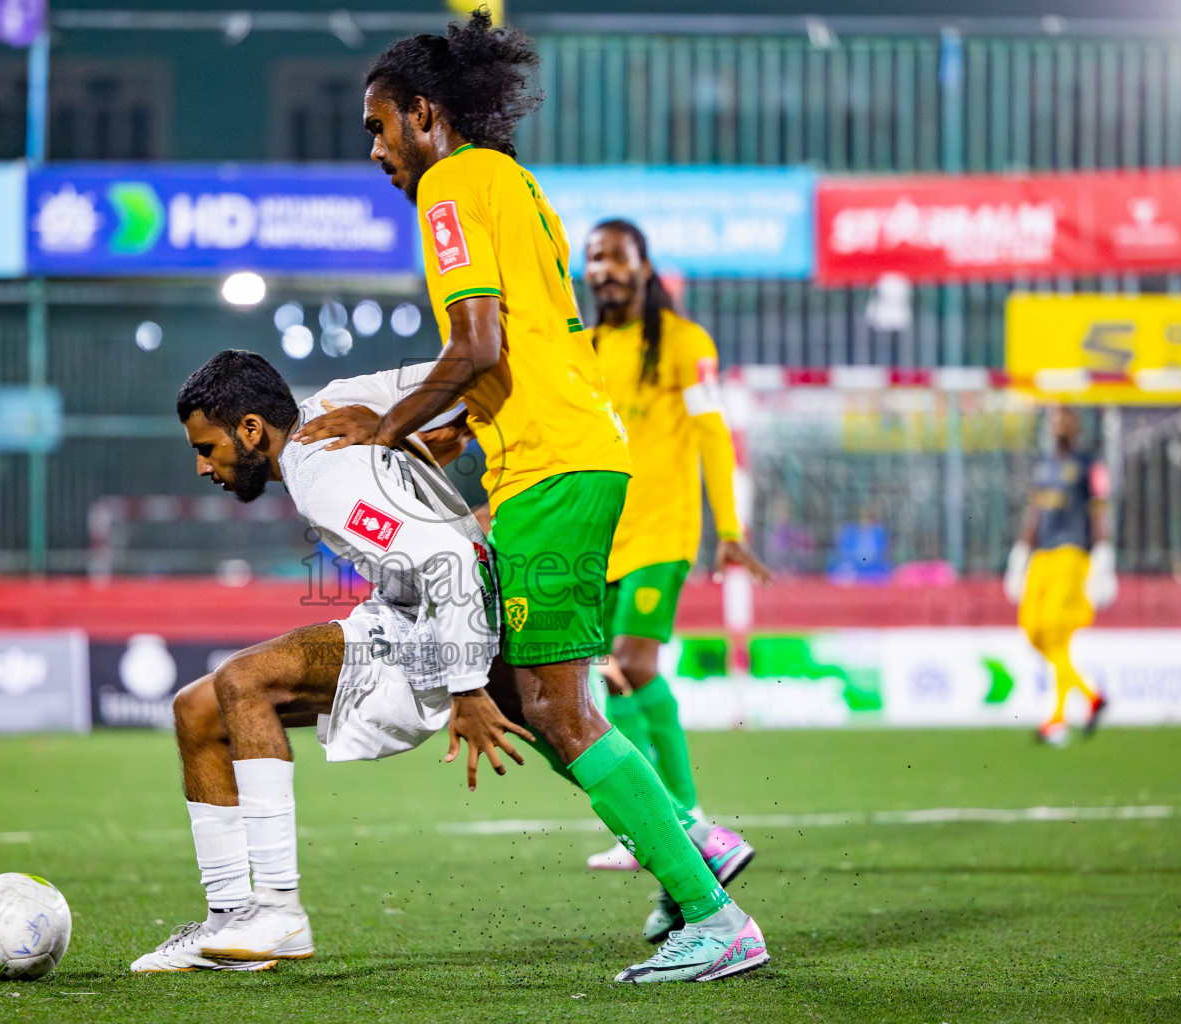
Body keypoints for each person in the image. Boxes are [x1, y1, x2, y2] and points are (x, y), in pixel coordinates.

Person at [294, 8, 767, 983]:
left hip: (557, 468)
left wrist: (382, 434)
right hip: (554, 459)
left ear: (425, 114)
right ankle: (689, 842)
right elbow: (523, 347)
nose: (376, 151)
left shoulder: (454, 186)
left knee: (558, 708)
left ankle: (714, 908)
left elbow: (476, 346)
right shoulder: (512, 182)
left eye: (380, 128)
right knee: (522, 691)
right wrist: (449, 428)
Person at [130, 350, 513, 972]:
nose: (203, 466)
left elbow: (449, 561)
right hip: (407, 610)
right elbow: (455, 370)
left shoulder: (323, 478)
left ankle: (280, 912)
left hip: (441, 624)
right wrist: (449, 425)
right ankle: (230, 922)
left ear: (251, 430)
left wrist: (468, 687)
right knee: (197, 710)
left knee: (244, 682)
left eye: (206, 448)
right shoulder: (336, 401)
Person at [580, 219, 772, 940]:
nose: (605, 270)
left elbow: (712, 434)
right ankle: (685, 832)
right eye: (595, 260)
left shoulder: (686, 346)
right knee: (605, 680)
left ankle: (683, 819)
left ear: (644, 266)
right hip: (597, 540)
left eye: (617, 258)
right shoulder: (587, 350)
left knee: (627, 668)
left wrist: (730, 530)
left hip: (661, 535)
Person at [1004, 405, 1113, 746]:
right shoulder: (1042, 466)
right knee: (1034, 629)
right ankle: (1091, 697)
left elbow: (1098, 510)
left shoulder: (1088, 465)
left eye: (1066, 420)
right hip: (1043, 555)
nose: (1060, 426)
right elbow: (1034, 513)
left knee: (1054, 627)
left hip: (1071, 552)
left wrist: (1103, 552)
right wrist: (1020, 552)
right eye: (1055, 421)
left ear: (1076, 427)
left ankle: (1057, 720)